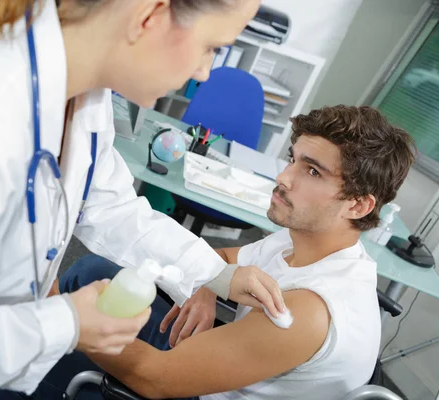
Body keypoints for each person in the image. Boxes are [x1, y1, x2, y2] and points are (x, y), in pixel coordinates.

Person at [0, 1, 291, 399]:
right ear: (149, 15)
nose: (204, 73)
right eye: (211, 47)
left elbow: (108, 205)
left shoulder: (84, 97)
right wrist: (65, 323)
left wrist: (217, 274)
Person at [49, 105, 417, 400]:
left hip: (185, 385)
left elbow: (154, 379)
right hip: (222, 362)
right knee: (91, 271)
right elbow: (224, 261)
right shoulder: (297, 242)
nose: (284, 178)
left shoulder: (312, 310)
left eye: (313, 172)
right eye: (293, 159)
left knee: (44, 345)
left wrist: (65, 318)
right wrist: (209, 287)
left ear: (358, 206)